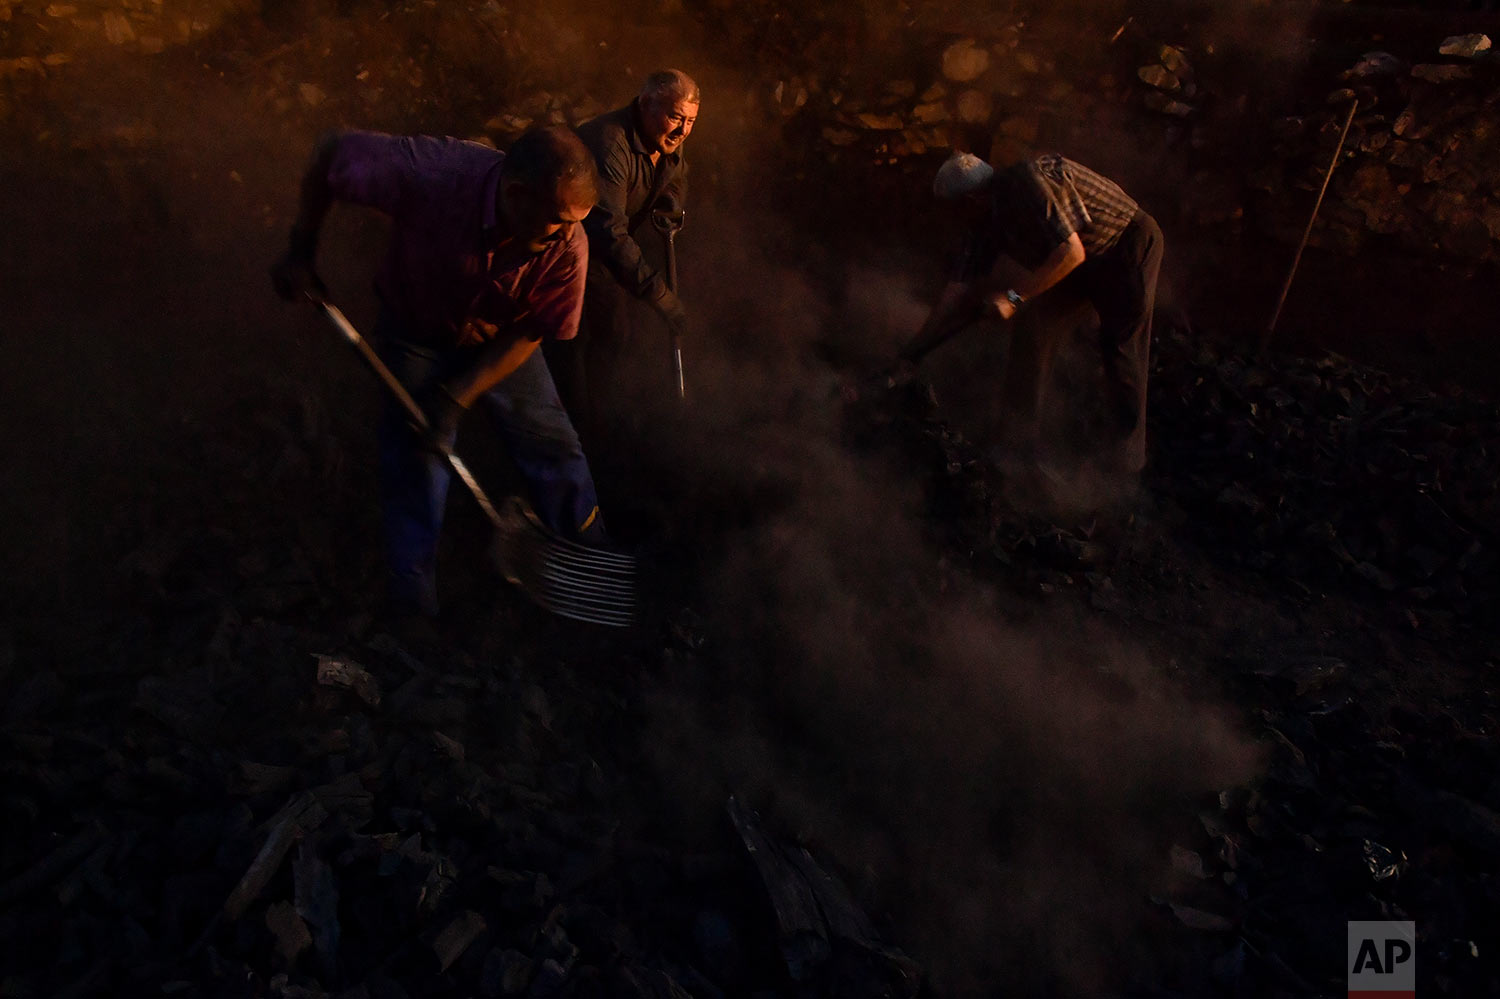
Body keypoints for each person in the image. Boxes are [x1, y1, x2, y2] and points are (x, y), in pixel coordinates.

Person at [270, 126, 607, 618]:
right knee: (421, 455)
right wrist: (301, 247)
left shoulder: (567, 246)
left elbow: (533, 330)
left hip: (501, 337)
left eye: (575, 222)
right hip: (416, 329)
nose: (567, 233)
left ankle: (592, 568)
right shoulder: (431, 175)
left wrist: (456, 397)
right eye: (557, 221)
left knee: (554, 443)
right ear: (516, 195)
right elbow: (329, 152)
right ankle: (414, 606)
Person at [897, 150, 1163, 476]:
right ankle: (1016, 445)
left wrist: (1013, 298)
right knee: (1034, 330)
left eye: (954, 208)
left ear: (972, 197)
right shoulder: (982, 223)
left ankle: (1125, 467)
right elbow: (956, 291)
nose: (951, 219)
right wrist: (914, 349)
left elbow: (1071, 253)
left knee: (1120, 347)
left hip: (1126, 244)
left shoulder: (1027, 185)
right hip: (1083, 261)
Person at [548, 69, 699, 445]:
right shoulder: (609, 143)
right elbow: (606, 230)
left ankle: (595, 426)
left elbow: (677, 173)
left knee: (613, 333)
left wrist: (669, 198)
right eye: (676, 117)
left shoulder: (665, 140)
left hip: (601, 256)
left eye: (691, 121)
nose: (682, 130)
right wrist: (657, 293)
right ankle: (568, 433)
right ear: (646, 104)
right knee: (571, 340)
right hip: (566, 251)